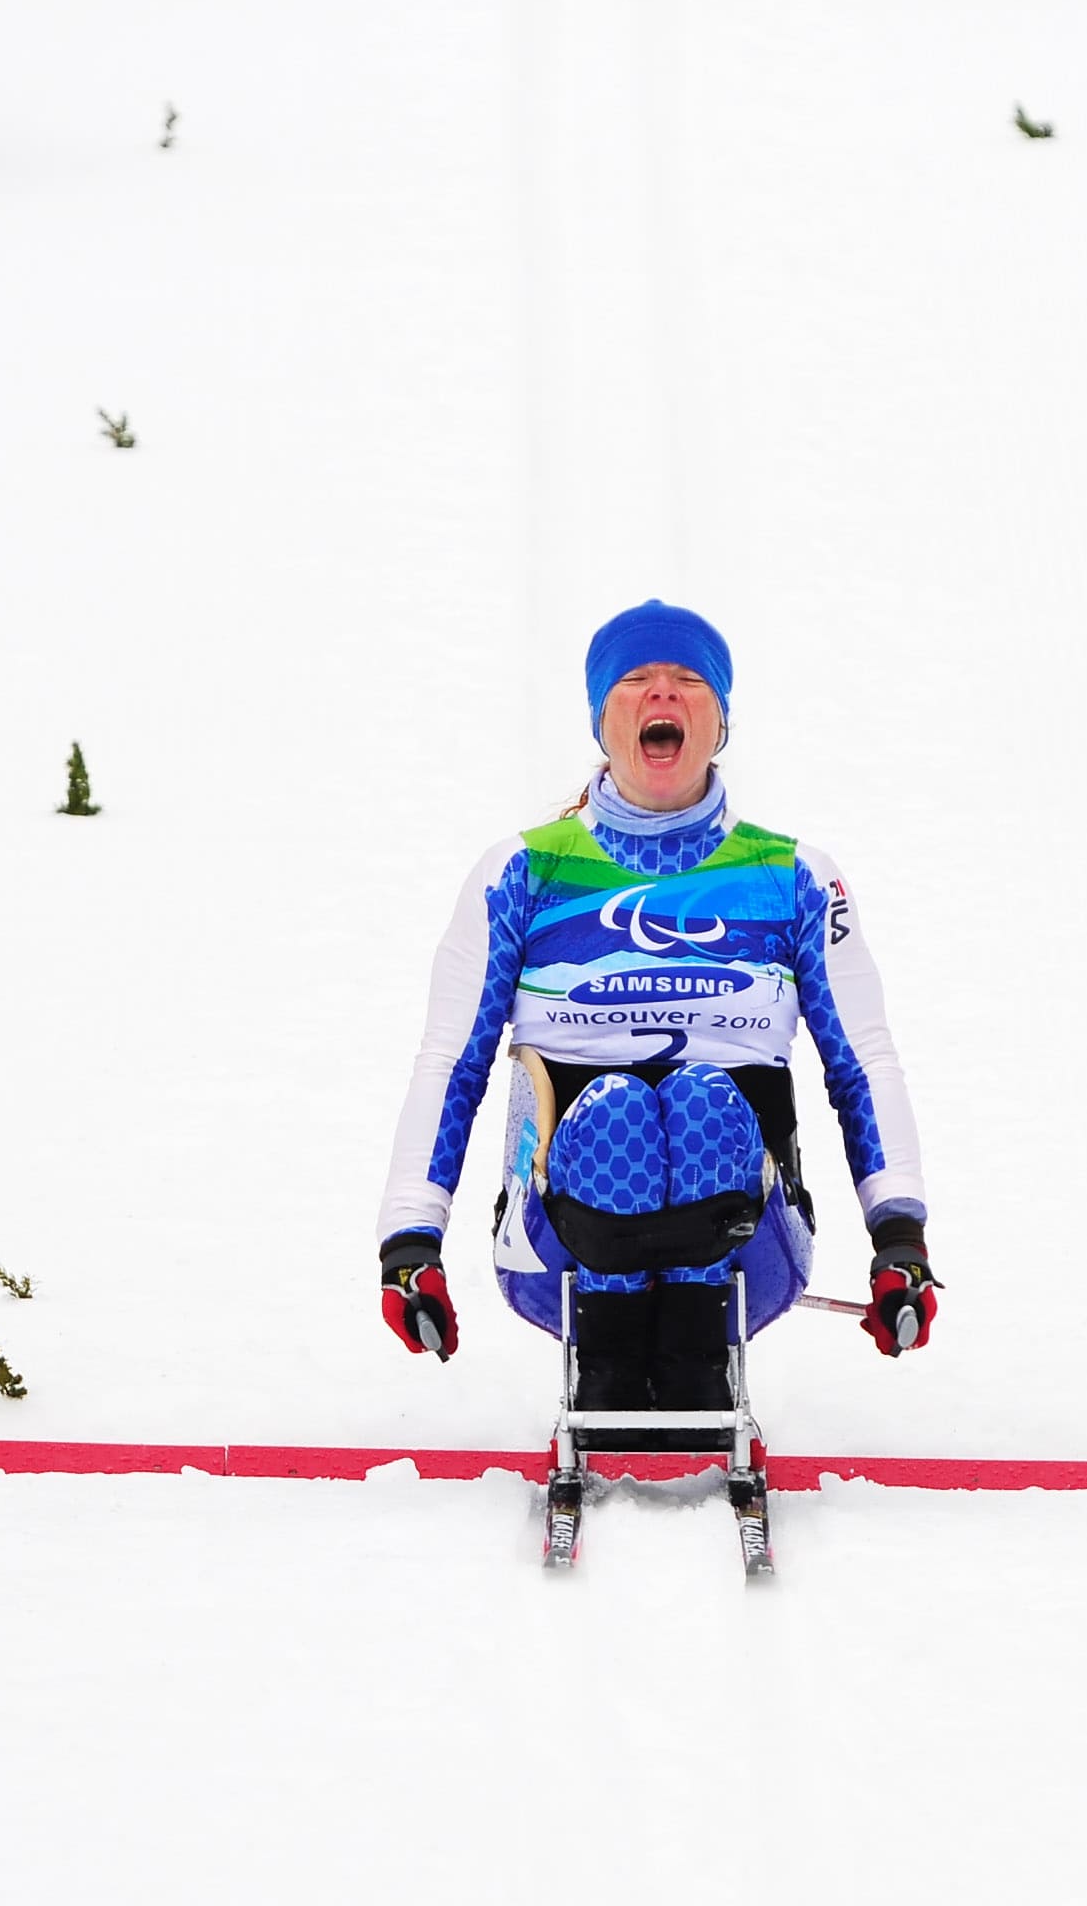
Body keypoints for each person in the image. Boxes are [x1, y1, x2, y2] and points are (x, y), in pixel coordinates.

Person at [375, 601, 935, 1416]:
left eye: (688, 682)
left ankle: (696, 1361)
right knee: (615, 1112)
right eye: (635, 681)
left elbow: (863, 1062)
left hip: (753, 1242)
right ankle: (607, 1360)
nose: (661, 697)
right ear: (604, 718)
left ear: (721, 720)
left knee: (705, 1102)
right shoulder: (523, 872)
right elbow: (450, 1062)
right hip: (555, 1241)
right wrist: (410, 1239)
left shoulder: (794, 877)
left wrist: (900, 1235)